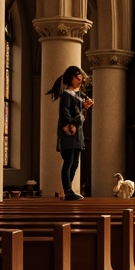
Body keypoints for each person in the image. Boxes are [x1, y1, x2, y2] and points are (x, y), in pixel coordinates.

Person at [45, 65, 93, 200]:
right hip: (69, 133)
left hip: (77, 133)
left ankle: (68, 189)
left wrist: (85, 107)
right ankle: (68, 190)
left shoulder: (77, 95)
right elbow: (65, 113)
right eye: (78, 76)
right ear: (71, 78)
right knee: (69, 161)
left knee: (75, 163)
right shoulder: (67, 94)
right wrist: (77, 118)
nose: (80, 79)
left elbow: (80, 115)